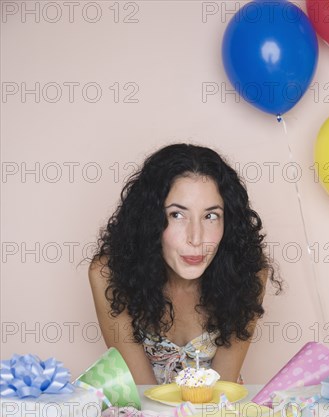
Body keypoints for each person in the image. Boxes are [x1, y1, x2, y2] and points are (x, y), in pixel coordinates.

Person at [88, 143, 281, 385]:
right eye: (177, 215)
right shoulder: (108, 274)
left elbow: (223, 388)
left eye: (211, 216)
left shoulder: (247, 273)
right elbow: (143, 392)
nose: (196, 238)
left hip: (217, 416)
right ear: (150, 220)